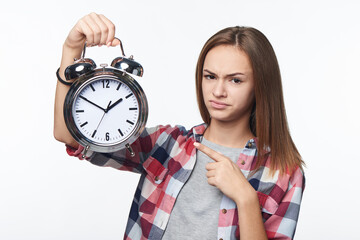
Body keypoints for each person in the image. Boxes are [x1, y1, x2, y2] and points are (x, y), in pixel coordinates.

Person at [54, 13, 305, 240]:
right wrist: (71, 47)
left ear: (260, 85)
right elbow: (69, 135)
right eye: (210, 76)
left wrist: (246, 198)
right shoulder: (168, 144)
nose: (218, 91)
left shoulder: (283, 172)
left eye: (235, 80)